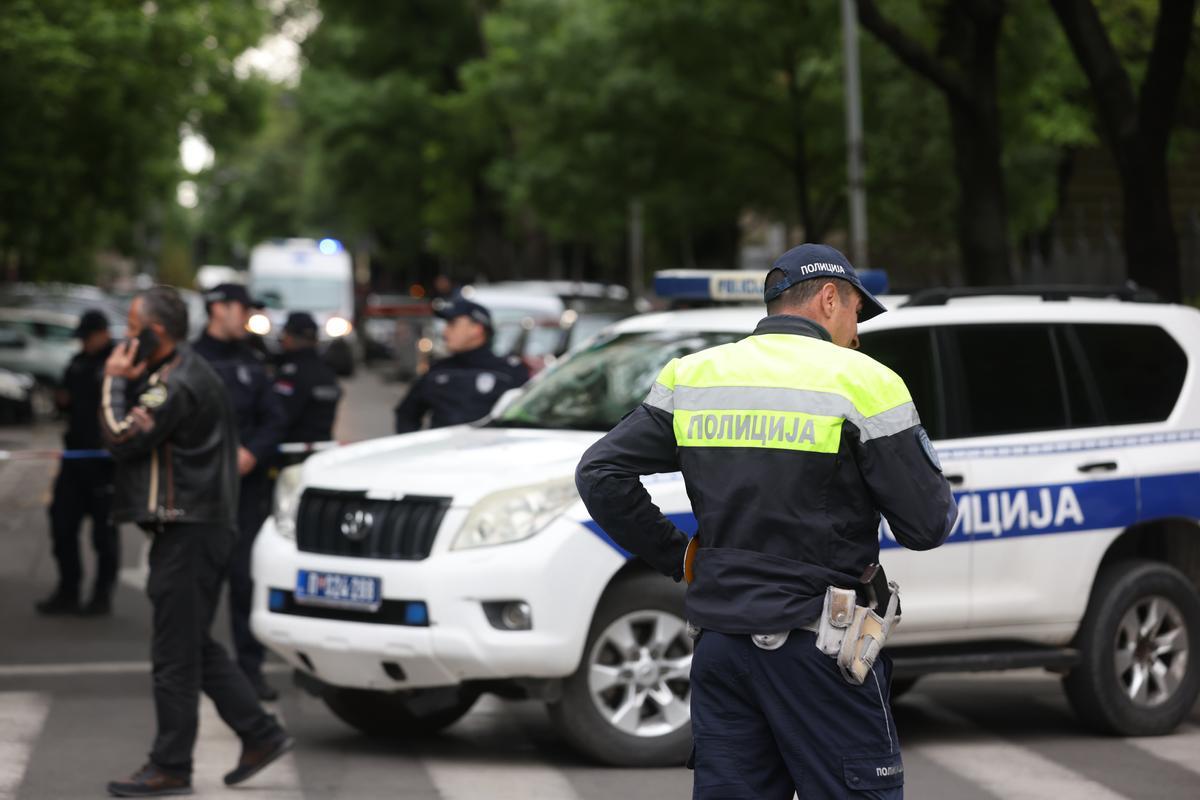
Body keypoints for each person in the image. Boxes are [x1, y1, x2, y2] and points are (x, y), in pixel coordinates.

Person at [575, 243, 957, 799]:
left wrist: (679, 556)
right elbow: (927, 525)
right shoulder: (863, 380)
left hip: (721, 647)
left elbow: (599, 472)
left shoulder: (694, 375)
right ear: (830, 299)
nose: (857, 332)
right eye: (856, 312)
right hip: (820, 648)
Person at [99, 286, 292, 797]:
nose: (126, 340)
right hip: (196, 525)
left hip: (190, 528)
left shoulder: (175, 383)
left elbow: (121, 435)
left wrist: (113, 383)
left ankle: (171, 766)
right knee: (191, 645)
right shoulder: (179, 372)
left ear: (156, 334)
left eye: (135, 330)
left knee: (174, 656)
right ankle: (259, 734)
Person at [192, 283, 286, 701]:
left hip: (246, 494)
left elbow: (275, 419)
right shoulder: (190, 361)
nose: (247, 317)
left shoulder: (252, 362)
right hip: (201, 496)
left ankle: (250, 671)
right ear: (219, 309)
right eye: (242, 309)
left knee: (246, 583)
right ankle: (194, 668)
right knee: (198, 586)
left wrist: (252, 453)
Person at [36, 309, 119, 616]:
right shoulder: (79, 362)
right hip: (74, 458)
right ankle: (68, 589)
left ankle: (102, 595)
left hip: (104, 463)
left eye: (88, 337)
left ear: (103, 333)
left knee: (104, 534)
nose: (84, 343)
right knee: (61, 523)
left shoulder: (117, 363)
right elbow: (67, 399)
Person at [393, 298, 529, 433]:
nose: (445, 332)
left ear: (476, 329)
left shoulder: (509, 373)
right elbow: (406, 413)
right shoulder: (439, 370)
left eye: (452, 324)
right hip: (441, 451)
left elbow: (527, 419)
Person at [272, 312, 342, 466]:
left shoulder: (291, 373)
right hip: (322, 454)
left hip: (289, 456)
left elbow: (279, 417)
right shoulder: (327, 372)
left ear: (289, 336)